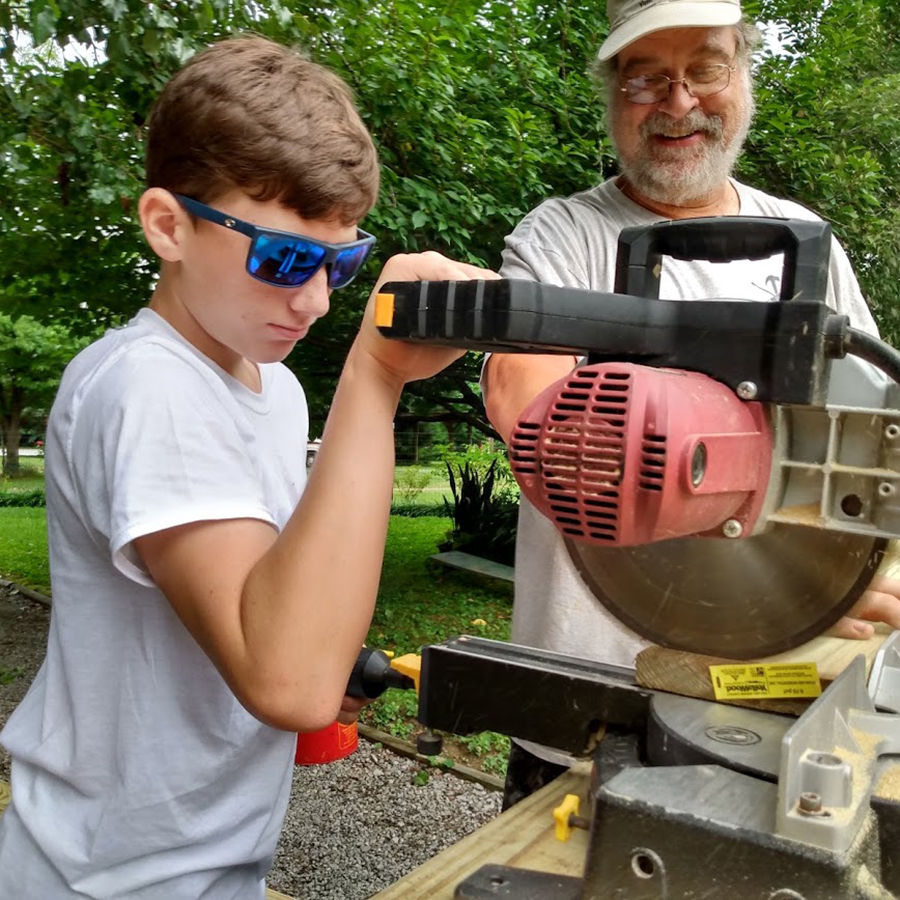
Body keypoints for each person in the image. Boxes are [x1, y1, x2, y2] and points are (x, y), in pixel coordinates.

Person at [0, 36, 495, 897]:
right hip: (109, 875)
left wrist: (327, 653)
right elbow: (286, 681)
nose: (314, 300)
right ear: (169, 225)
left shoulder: (274, 389)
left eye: (340, 262)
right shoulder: (147, 386)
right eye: (283, 259)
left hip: (201, 857)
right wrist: (374, 379)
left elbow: (269, 607)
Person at [483, 0, 900, 808]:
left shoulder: (806, 238)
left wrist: (852, 569)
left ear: (744, 74)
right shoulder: (565, 235)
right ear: (611, 96)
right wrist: (693, 470)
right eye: (645, 77)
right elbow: (524, 400)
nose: (678, 103)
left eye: (705, 68)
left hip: (772, 705)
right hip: (584, 714)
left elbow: (871, 439)